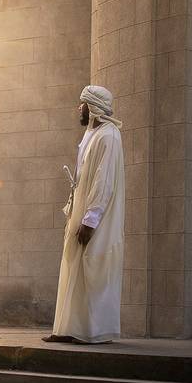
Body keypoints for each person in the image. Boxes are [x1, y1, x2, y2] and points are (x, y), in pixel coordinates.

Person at [44, 85, 125, 344]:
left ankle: (94, 332)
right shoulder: (92, 135)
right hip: (79, 213)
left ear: (92, 107)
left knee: (95, 268)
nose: (78, 108)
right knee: (74, 267)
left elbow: (104, 181)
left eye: (82, 103)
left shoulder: (108, 136)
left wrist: (91, 219)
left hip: (95, 219)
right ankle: (68, 329)